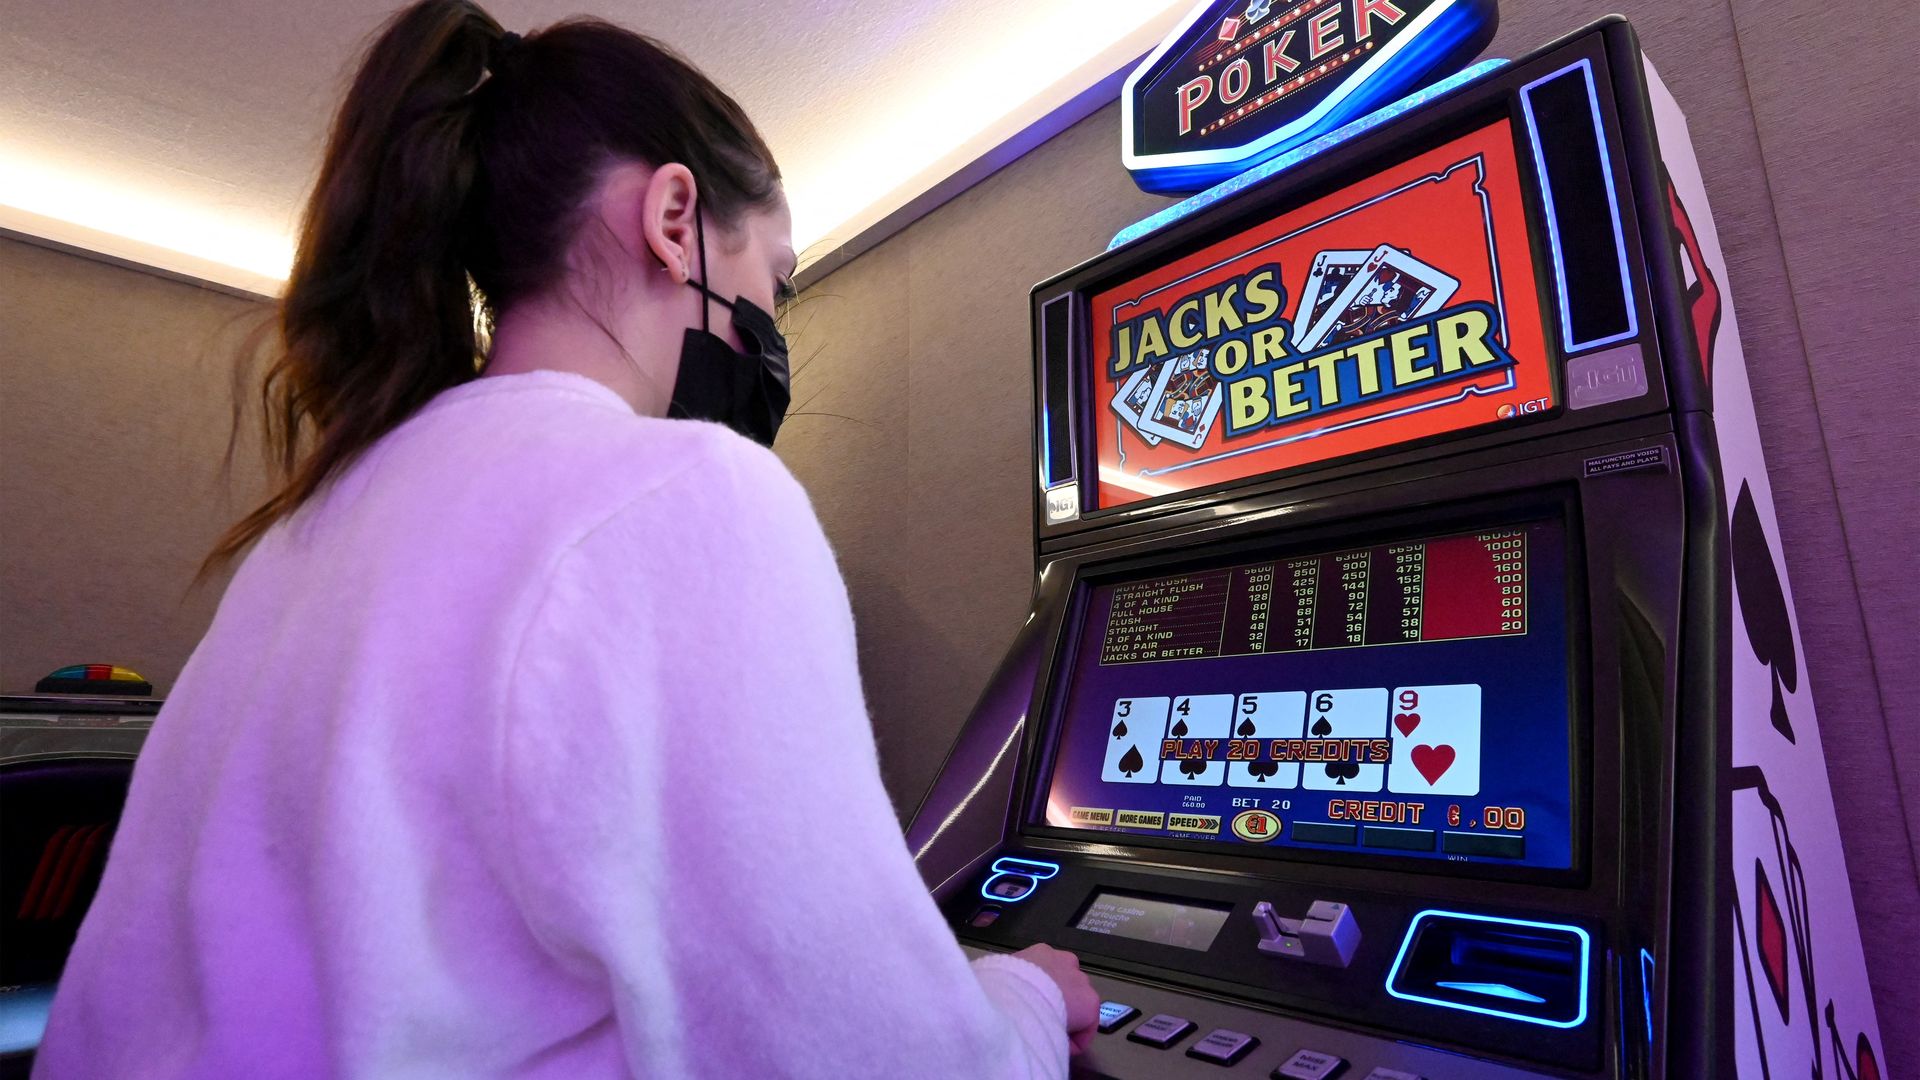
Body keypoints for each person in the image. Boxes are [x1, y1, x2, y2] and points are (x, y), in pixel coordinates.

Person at [33, 2, 1099, 1077]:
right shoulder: (681, 491)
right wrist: (1019, 993)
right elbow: (881, 1060)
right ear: (675, 217)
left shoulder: (310, 533)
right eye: (774, 283)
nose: (772, 331)